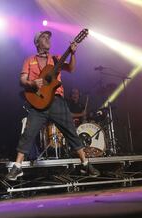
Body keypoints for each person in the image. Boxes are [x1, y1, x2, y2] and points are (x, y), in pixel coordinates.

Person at [6, 30, 100, 181]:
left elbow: (71, 68)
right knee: (28, 133)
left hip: (56, 101)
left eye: (49, 37)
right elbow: (22, 80)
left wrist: (73, 53)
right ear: (37, 42)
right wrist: (32, 82)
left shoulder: (56, 59)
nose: (48, 39)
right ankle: (17, 167)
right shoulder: (29, 60)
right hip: (38, 103)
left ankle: (85, 163)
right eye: (44, 37)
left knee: (71, 131)